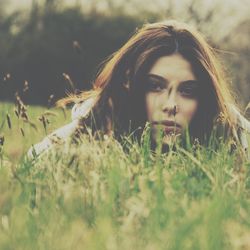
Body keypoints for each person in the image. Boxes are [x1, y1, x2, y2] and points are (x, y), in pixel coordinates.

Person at [28, 20, 250, 159]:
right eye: (155, 86)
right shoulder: (88, 133)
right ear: (129, 85)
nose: (171, 106)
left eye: (188, 91)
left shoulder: (229, 133)